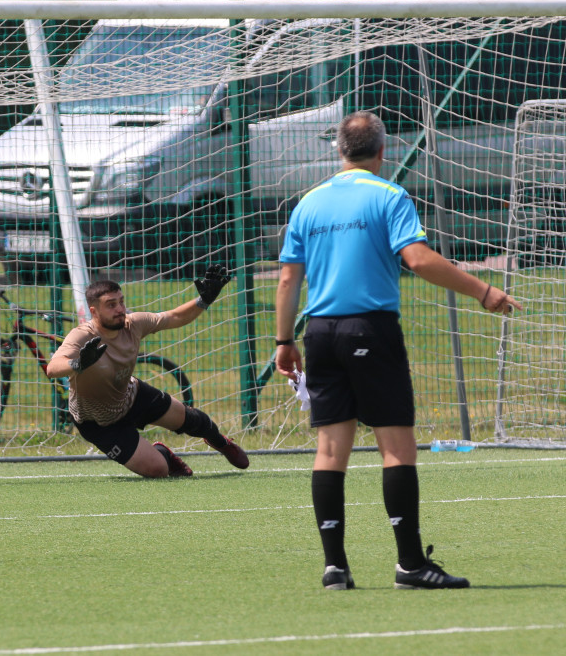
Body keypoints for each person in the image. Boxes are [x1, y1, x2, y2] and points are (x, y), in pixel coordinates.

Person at [274, 111, 521, 590]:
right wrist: (482, 291)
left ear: (339, 150)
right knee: (397, 448)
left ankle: (334, 568)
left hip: (319, 334)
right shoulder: (390, 195)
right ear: (383, 152)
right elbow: (417, 258)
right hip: (370, 329)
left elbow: (288, 278)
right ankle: (410, 564)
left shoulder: (308, 202)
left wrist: (284, 341)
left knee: (329, 451)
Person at [46, 266, 249, 478]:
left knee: (193, 421)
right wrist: (78, 364)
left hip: (132, 396)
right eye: (111, 305)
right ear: (94, 311)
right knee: (158, 470)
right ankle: (164, 454)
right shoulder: (81, 336)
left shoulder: (133, 324)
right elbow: (53, 368)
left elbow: (174, 317)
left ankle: (221, 442)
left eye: (121, 301)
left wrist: (203, 301)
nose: (120, 309)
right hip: (98, 423)